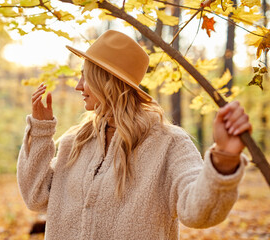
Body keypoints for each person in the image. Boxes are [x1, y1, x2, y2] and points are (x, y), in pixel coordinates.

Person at [17, 30, 252, 239]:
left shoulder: (169, 144)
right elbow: (36, 197)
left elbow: (198, 213)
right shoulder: (75, 141)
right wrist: (40, 130)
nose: (78, 86)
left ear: (107, 81)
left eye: (85, 76)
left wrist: (223, 158)